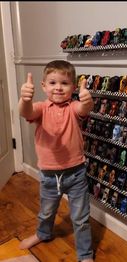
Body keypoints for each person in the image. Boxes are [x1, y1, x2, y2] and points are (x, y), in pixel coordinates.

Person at [18, 60, 94, 262]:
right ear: (43, 86)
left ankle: (85, 255)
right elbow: (26, 112)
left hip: (76, 174)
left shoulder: (73, 107)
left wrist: (87, 100)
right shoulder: (41, 108)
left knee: (81, 218)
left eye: (64, 83)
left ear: (73, 87)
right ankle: (43, 234)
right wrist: (24, 99)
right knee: (46, 212)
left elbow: (84, 110)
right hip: (49, 176)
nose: (58, 87)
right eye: (52, 83)